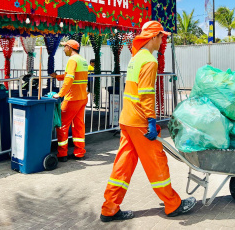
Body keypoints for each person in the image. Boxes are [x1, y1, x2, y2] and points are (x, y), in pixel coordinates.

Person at [100, 21, 196, 223]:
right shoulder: (150, 62)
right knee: (157, 162)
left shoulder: (135, 59)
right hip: (140, 122)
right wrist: (151, 120)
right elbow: (146, 95)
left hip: (127, 119)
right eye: (161, 37)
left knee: (123, 165)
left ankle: (109, 208)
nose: (163, 41)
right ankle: (173, 205)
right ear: (153, 37)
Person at [50, 39, 89, 162]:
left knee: (62, 125)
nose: (63, 49)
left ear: (70, 47)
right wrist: (57, 77)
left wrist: (60, 94)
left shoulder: (72, 60)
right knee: (78, 125)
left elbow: (70, 79)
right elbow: (70, 76)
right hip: (82, 98)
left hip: (72, 98)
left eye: (64, 47)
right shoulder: (82, 60)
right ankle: (79, 152)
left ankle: (62, 154)